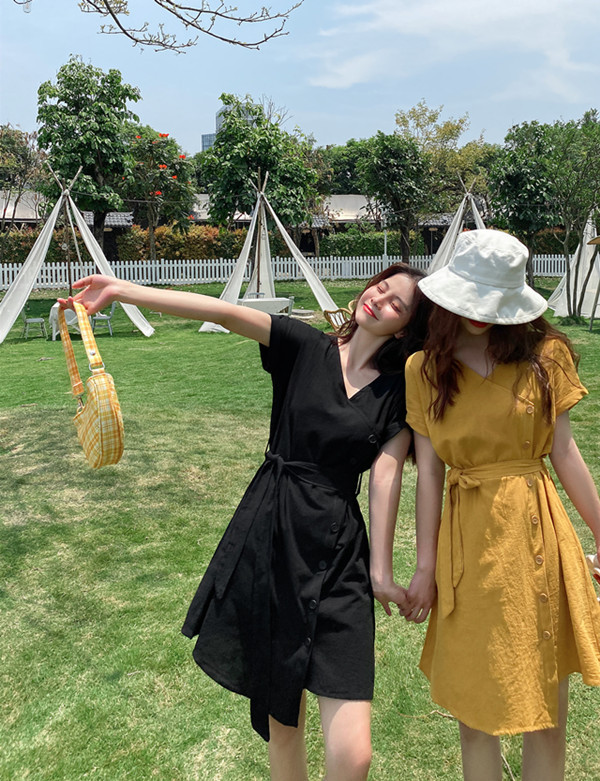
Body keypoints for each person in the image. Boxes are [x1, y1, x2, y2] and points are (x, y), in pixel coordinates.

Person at [59, 263, 432, 781]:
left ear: (407, 327)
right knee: (283, 721)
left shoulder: (398, 391)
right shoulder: (305, 346)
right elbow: (225, 313)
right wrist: (123, 290)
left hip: (339, 553)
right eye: (381, 286)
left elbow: (387, 476)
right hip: (273, 536)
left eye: (397, 304)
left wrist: (381, 572)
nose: (379, 299)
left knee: (354, 755)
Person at [400, 230, 600, 781]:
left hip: (536, 533)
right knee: (473, 706)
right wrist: (425, 567)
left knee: (547, 708)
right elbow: (429, 474)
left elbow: (564, 452)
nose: (479, 315)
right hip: (467, 543)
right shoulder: (423, 369)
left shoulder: (545, 357)